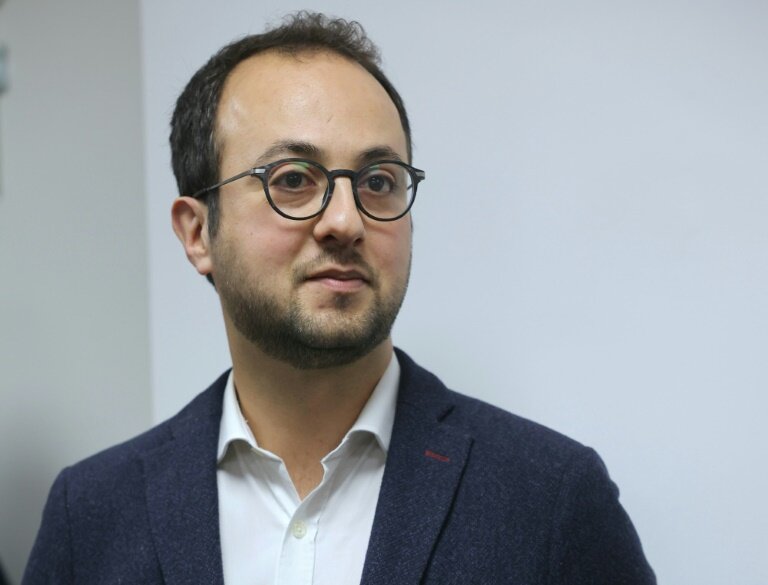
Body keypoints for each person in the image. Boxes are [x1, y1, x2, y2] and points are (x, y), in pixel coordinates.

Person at [23, 11, 655, 584]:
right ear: (197, 232)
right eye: (293, 180)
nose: (346, 221)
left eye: (379, 181)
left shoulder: (549, 498)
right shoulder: (93, 513)